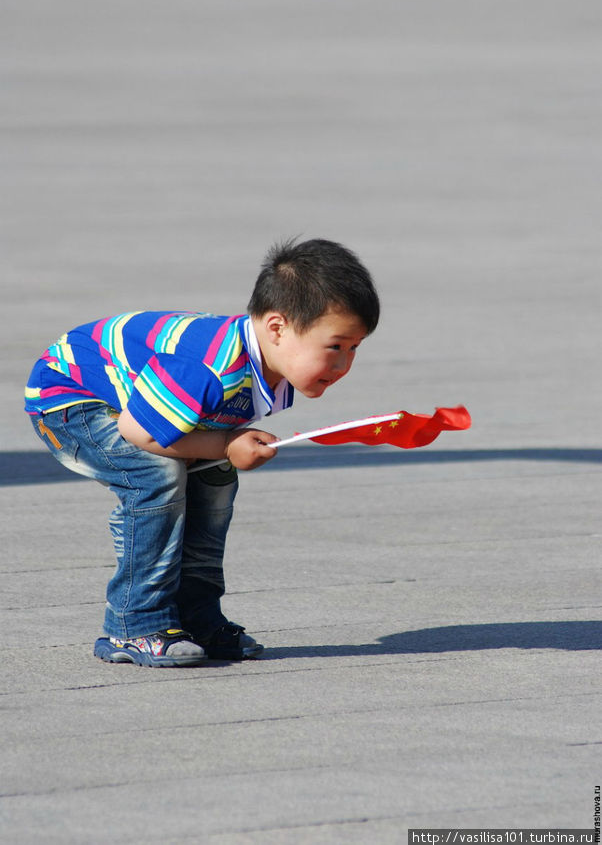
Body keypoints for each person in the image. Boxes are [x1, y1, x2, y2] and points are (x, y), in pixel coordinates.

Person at [24, 239, 380, 667]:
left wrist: (222, 452)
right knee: (155, 476)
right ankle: (133, 624)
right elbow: (137, 431)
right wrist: (225, 444)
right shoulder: (210, 368)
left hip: (139, 405)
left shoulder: (266, 364)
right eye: (335, 346)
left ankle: (196, 616)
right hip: (69, 400)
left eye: (354, 348)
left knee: (214, 476)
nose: (344, 365)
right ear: (277, 329)